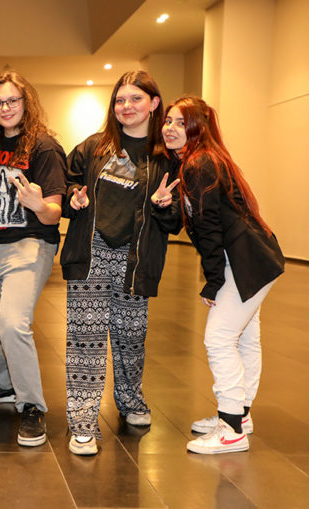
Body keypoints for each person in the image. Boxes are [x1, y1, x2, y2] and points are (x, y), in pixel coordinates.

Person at [61, 70, 181, 456]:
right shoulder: (94, 146)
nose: (126, 106)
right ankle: (82, 420)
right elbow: (65, 184)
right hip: (91, 252)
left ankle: (130, 400)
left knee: (131, 336)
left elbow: (176, 220)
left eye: (135, 98)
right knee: (86, 338)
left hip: (135, 259)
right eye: (119, 100)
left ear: (154, 103)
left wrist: (165, 205)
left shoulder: (167, 157)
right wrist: (73, 197)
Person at [162, 96, 284, 455]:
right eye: (168, 121)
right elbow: (185, 222)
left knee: (219, 338)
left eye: (180, 122)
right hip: (253, 258)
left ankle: (231, 430)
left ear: (198, 128)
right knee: (245, 338)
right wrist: (163, 205)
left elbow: (209, 226)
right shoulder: (195, 162)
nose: (170, 128)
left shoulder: (200, 163)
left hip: (245, 262)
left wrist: (213, 280)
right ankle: (240, 416)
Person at [0, 71, 67, 447]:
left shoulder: (44, 148)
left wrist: (38, 204)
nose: (5, 108)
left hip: (29, 244)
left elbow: (54, 213)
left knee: (11, 324)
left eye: (12, 101)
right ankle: (5, 383)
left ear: (26, 104)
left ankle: (32, 405)